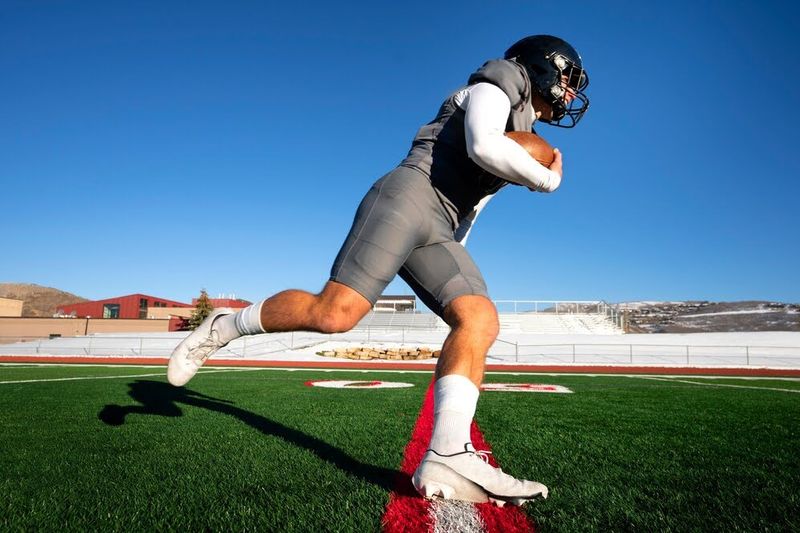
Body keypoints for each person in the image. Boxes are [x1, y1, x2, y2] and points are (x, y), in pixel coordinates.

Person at [167, 34, 589, 506]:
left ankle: (450, 452)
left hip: (441, 228)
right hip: (408, 196)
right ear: (542, 67)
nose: (570, 95)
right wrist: (547, 176)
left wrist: (451, 268)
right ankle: (225, 325)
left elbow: (474, 205)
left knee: (479, 318)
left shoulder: (522, 125)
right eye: (568, 80)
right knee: (335, 315)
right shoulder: (494, 86)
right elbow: (483, 146)